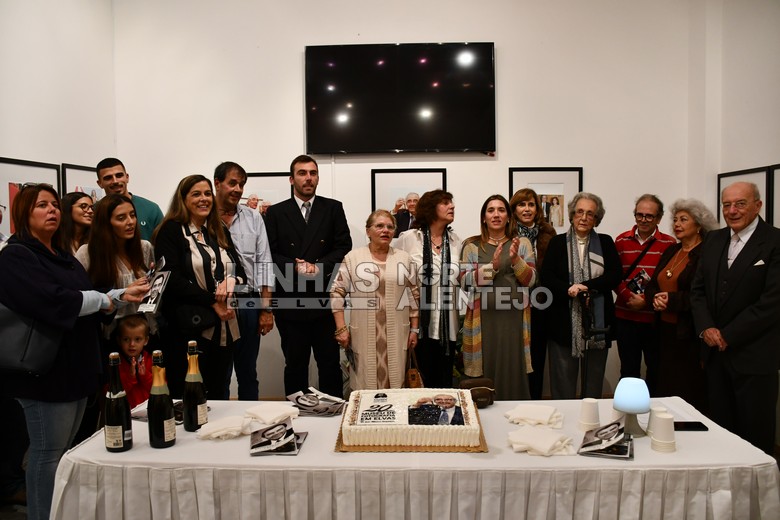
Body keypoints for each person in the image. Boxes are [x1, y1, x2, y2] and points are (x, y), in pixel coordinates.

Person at [0, 184, 143, 520]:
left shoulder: (61, 255)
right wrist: (105, 299)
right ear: (23, 213)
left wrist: (119, 295)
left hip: (76, 367)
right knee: (47, 454)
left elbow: (87, 296)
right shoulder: (15, 257)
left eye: (54, 204)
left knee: (64, 451)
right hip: (45, 373)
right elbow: (52, 300)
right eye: (41, 205)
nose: (52, 210)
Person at [690, 182, 780, 455]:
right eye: (726, 204)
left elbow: (772, 302)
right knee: (720, 431)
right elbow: (698, 291)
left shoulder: (774, 242)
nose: (732, 210)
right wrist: (706, 328)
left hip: (754, 357)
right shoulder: (714, 240)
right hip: (715, 355)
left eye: (740, 203)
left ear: (758, 205)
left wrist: (728, 335)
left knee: (755, 435)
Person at [264, 155, 352, 398]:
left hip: (325, 300)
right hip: (290, 300)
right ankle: (296, 411)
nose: (308, 178)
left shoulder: (333, 208)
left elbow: (344, 246)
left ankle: (334, 411)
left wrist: (318, 266)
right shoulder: (275, 212)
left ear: (318, 178)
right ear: (291, 179)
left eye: (313, 173)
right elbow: (269, 251)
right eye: (302, 173)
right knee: (295, 365)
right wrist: (294, 266)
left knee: (330, 364)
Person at [153, 175, 247, 399]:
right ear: (183, 199)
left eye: (207, 193)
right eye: (196, 194)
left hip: (224, 328)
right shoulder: (171, 231)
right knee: (189, 396)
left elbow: (241, 272)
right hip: (188, 330)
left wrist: (232, 280)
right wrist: (213, 301)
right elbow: (171, 280)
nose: (204, 199)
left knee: (218, 393)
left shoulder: (217, 229)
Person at [540, 192, 621, 399]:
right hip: (562, 321)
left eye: (590, 214)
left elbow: (614, 276)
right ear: (572, 215)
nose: (584, 218)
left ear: (597, 218)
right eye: (579, 212)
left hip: (597, 324)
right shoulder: (557, 242)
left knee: (593, 382)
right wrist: (569, 289)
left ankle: (590, 417)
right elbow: (547, 277)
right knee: (562, 382)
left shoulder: (605, 242)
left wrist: (584, 287)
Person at [330, 210, 420, 390]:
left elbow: (413, 295)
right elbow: (336, 292)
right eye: (379, 226)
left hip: (397, 333)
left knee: (396, 383)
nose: (385, 230)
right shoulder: (353, 258)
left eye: (390, 227)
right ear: (368, 231)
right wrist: (341, 328)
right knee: (365, 383)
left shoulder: (404, 258)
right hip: (363, 334)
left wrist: (414, 329)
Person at [460, 195, 537, 400]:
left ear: (509, 217)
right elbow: (464, 281)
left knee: (514, 370)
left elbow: (530, 280)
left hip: (515, 322)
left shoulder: (522, 244)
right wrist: (491, 268)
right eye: (491, 210)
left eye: (501, 210)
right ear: (483, 217)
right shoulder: (472, 245)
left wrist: (515, 259)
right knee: (484, 375)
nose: (496, 214)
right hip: (483, 322)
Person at [644, 199, 717, 414]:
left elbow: (704, 295)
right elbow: (653, 284)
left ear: (699, 224)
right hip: (664, 330)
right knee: (665, 385)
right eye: (675, 219)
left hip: (689, 333)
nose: (677, 224)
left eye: (684, 220)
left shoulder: (706, 254)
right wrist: (655, 298)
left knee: (687, 387)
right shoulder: (672, 250)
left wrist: (671, 300)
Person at [213, 161, 275, 400]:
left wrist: (266, 310)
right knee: (219, 374)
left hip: (248, 302)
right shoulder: (203, 218)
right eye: (232, 183)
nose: (238, 189)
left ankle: (251, 419)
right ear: (217, 183)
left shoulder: (253, 218)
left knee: (248, 372)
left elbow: (264, 264)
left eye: (241, 184)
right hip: (215, 305)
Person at [396, 190, 461, 388]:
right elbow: (397, 277)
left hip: (447, 326)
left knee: (445, 384)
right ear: (431, 208)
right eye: (445, 203)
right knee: (419, 384)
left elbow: (462, 278)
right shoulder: (409, 238)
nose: (452, 206)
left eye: (451, 202)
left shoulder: (456, 241)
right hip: (417, 327)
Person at [613, 194, 675, 396]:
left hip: (654, 319)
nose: (643, 220)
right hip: (625, 316)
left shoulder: (669, 243)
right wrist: (628, 297)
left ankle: (652, 409)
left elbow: (668, 281)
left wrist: (646, 300)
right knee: (628, 371)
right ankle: (627, 409)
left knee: (656, 369)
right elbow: (615, 275)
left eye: (649, 216)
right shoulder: (621, 240)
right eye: (639, 215)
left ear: (659, 218)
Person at [75, 194, 155, 339]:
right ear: (106, 223)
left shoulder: (144, 247)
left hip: (144, 332)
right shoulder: (87, 253)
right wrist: (124, 292)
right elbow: (81, 298)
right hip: (109, 334)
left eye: (132, 215)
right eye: (121, 218)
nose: (130, 222)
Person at [510, 188, 557, 399]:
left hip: (541, 302)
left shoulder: (549, 234)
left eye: (531, 205)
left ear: (537, 209)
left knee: (537, 357)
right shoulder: (506, 233)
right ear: (514, 209)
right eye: (522, 204)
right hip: (513, 303)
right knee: (514, 356)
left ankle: (535, 402)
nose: (527, 209)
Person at [95, 157, 163, 241]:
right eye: (108, 178)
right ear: (100, 183)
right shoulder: (94, 211)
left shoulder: (151, 209)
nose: (115, 181)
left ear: (127, 177)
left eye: (119, 175)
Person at [115, 314, 154, 409]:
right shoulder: (115, 364)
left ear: (146, 340)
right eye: (126, 339)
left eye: (137, 339)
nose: (132, 344)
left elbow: (161, 389)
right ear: (119, 340)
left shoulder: (152, 360)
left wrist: (145, 375)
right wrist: (130, 377)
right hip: (126, 412)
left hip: (149, 410)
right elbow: (113, 394)